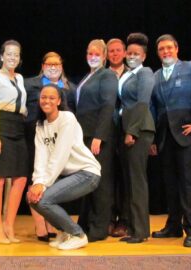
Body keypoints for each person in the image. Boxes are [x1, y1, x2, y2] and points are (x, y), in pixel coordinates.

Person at [150, 34, 191, 247]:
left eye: (169, 47)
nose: (166, 51)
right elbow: (152, 108)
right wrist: (152, 137)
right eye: (161, 49)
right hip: (165, 138)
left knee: (188, 183)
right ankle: (173, 226)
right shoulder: (155, 75)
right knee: (170, 184)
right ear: (158, 52)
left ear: (177, 48)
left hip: (189, 137)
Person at [28, 84, 101, 250]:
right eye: (43, 97)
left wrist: (43, 184)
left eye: (52, 98)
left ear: (59, 101)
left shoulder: (67, 118)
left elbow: (60, 155)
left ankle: (78, 235)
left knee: (44, 199)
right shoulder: (41, 125)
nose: (47, 100)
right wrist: (37, 182)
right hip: (67, 175)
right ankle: (64, 232)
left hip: (87, 173)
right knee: (32, 198)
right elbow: (41, 158)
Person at [24, 51, 76, 242]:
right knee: (36, 176)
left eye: (57, 64)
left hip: (59, 137)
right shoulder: (30, 84)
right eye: (49, 63)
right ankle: (39, 224)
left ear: (62, 66)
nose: (53, 67)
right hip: (34, 135)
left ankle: (50, 220)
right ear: (43, 65)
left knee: (52, 177)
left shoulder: (71, 88)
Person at [75, 39, 118, 242]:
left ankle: (99, 228)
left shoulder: (107, 75)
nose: (93, 57)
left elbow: (108, 105)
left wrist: (99, 136)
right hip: (84, 136)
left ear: (104, 56)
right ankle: (85, 223)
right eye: (89, 53)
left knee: (101, 183)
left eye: (97, 54)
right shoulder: (88, 76)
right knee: (87, 181)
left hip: (98, 137)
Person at [0, 40, 27, 244]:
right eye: (9, 54)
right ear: (1, 56)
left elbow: (22, 104)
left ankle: (9, 224)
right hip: (2, 126)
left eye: (16, 55)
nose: (13, 57)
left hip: (19, 126)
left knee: (21, 178)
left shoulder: (19, 78)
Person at [117, 33, 155, 243]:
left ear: (144, 56)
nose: (132, 56)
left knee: (137, 181)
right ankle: (133, 228)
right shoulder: (127, 75)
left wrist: (132, 131)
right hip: (127, 130)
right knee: (130, 181)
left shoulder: (146, 72)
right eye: (129, 53)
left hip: (138, 130)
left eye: (136, 53)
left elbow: (143, 102)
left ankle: (140, 231)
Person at [106, 38, 129, 238]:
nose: (114, 54)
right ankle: (109, 218)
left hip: (127, 131)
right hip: (106, 132)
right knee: (108, 177)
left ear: (124, 53)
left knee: (125, 177)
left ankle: (124, 220)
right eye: (110, 51)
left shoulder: (133, 73)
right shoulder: (101, 75)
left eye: (117, 50)